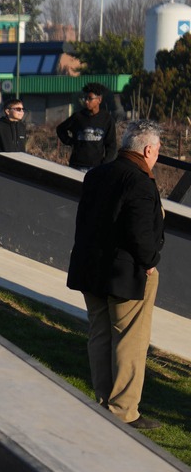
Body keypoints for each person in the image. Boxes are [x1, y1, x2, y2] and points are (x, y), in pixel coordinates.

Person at [66, 123, 165, 426]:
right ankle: (123, 412)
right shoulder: (141, 181)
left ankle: (103, 401)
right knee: (130, 342)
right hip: (126, 274)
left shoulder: (96, 174)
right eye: (158, 151)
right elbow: (140, 231)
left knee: (99, 335)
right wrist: (150, 260)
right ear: (148, 150)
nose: (157, 157)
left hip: (90, 269)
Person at [57, 83, 118, 170]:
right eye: (85, 98)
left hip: (96, 167)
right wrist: (70, 141)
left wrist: (105, 164)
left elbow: (111, 146)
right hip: (77, 165)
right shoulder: (78, 117)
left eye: (90, 98)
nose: (86, 101)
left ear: (99, 100)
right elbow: (60, 129)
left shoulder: (107, 119)